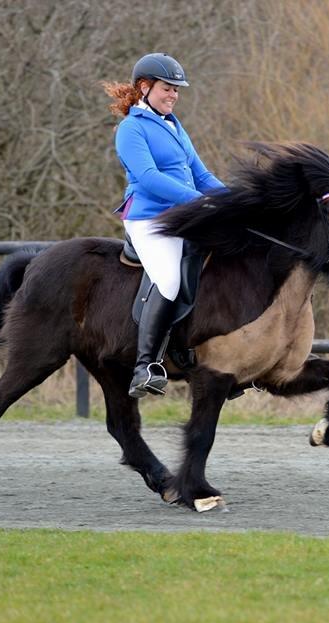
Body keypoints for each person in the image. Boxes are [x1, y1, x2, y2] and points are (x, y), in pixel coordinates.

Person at [102, 53, 226, 398]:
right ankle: (146, 366)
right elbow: (149, 177)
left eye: (176, 90)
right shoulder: (131, 128)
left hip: (183, 215)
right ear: (145, 87)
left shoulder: (174, 125)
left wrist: (237, 201)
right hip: (148, 218)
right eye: (167, 88)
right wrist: (197, 200)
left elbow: (201, 175)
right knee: (169, 280)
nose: (173, 95)